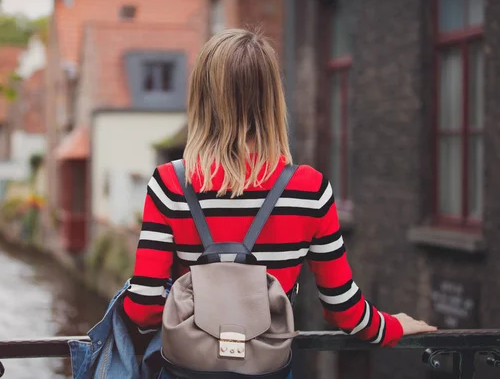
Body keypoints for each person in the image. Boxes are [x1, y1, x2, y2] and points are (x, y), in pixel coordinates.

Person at [122, 28, 437, 377]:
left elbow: (143, 307)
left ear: (202, 97)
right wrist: (392, 327)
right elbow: (342, 309)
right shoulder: (311, 190)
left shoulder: (170, 184)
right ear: (273, 98)